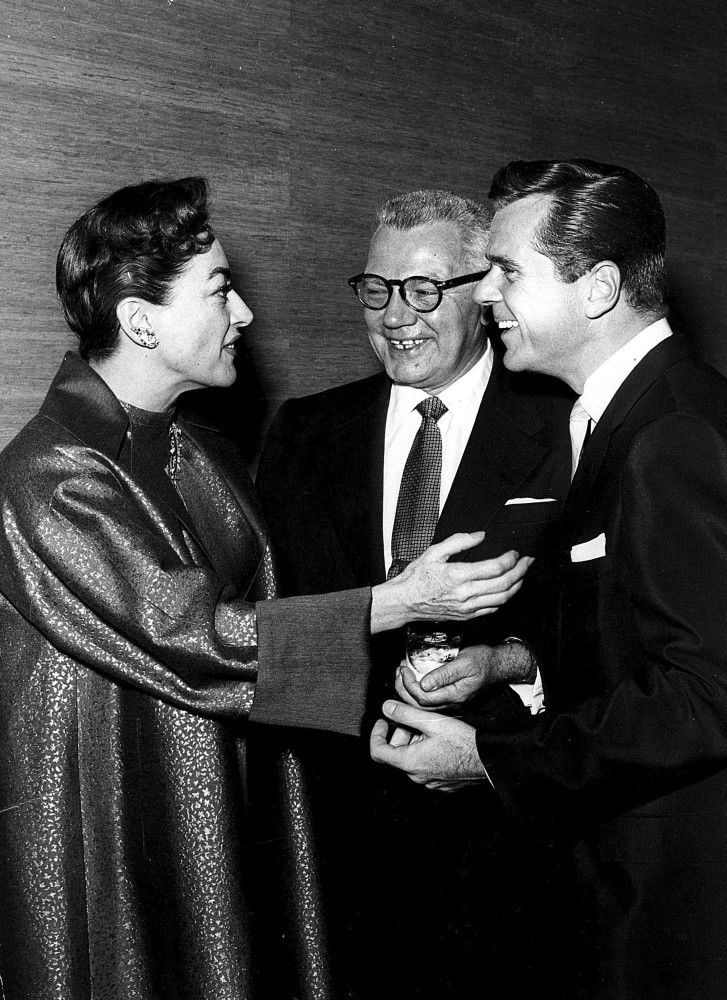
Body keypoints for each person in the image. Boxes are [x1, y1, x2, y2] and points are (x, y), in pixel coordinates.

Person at [0, 177, 531, 1000]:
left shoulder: (200, 453)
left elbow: (271, 611)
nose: (245, 313)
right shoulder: (48, 474)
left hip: (216, 810)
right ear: (142, 320)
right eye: (220, 290)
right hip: (112, 827)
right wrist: (398, 601)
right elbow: (197, 633)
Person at [371, 160, 727, 999]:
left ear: (599, 287)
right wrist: (515, 664)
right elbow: (638, 638)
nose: (486, 296)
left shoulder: (674, 433)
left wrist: (493, 759)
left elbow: (715, 695)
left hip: (693, 914)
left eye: (507, 272)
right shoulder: (613, 415)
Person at [254, 189, 573, 999]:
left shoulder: (567, 431)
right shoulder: (300, 432)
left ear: (485, 291)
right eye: (377, 289)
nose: (397, 315)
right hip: (335, 851)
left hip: (502, 850)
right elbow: (273, 625)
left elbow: (608, 635)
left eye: (425, 290)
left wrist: (506, 660)